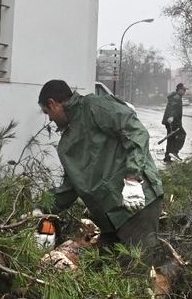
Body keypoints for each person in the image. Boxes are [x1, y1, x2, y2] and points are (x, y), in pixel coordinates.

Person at [36, 79, 164, 251]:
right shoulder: (67, 144)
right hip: (111, 220)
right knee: (104, 267)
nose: (50, 118)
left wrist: (133, 178)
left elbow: (136, 132)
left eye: (47, 112)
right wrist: (40, 209)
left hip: (136, 205)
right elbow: (71, 187)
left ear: (53, 103)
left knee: (137, 269)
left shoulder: (94, 106)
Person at [162, 83, 188, 163]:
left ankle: (167, 157)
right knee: (182, 134)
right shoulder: (177, 98)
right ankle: (174, 151)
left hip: (170, 121)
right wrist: (172, 117)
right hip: (173, 122)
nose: (185, 92)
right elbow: (173, 108)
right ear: (179, 90)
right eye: (184, 90)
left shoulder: (175, 96)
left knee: (171, 138)